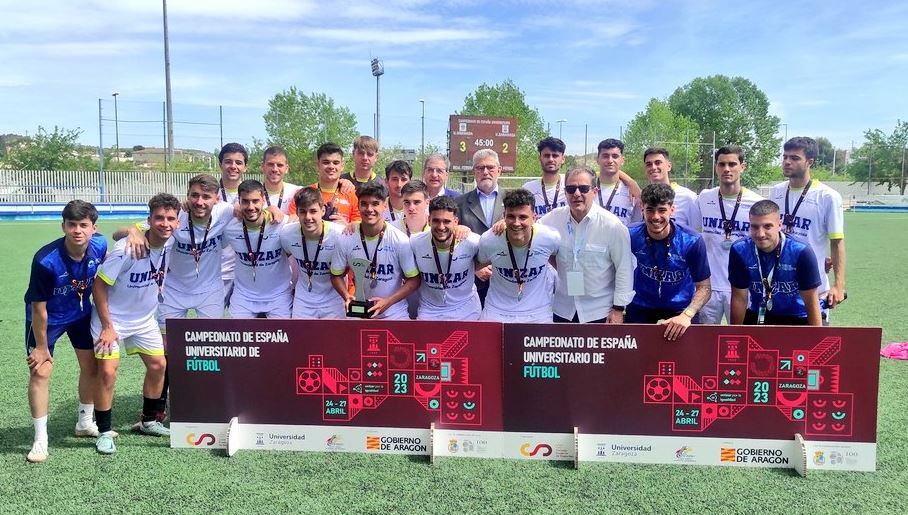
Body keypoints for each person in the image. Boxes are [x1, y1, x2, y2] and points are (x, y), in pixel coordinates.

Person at [92, 193, 181, 455]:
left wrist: (131, 229)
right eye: (159, 218)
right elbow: (99, 286)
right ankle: (104, 432)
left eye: (170, 219)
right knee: (108, 372)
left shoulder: (172, 242)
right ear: (149, 219)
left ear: (177, 222)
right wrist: (108, 326)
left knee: (158, 365)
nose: (165, 223)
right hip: (112, 320)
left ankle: (149, 421)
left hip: (144, 320)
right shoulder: (128, 249)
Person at [23, 201, 108, 463]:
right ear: (63, 226)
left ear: (94, 228)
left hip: (81, 314)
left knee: (91, 366)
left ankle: (84, 422)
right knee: (41, 370)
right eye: (72, 225)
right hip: (47, 320)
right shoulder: (45, 260)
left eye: (84, 225)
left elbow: (122, 234)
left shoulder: (100, 245)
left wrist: (136, 231)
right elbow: (39, 308)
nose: (77, 231)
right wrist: (40, 346)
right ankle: (40, 439)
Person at [538, 167, 634, 323]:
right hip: (563, 310)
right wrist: (504, 223)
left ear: (594, 191)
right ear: (565, 192)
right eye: (571, 189)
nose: (576, 194)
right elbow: (528, 230)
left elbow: (624, 268)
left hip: (599, 312)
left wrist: (618, 309)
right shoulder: (553, 219)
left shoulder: (613, 226)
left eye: (583, 188)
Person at [769, 136, 846, 323]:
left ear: (809, 162)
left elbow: (837, 242)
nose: (787, 162)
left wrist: (838, 285)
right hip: (777, 286)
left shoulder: (828, 196)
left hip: (812, 287)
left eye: (794, 158)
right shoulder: (775, 192)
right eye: (785, 156)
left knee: (809, 347)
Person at [627, 183, 711, 340]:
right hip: (641, 304)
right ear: (642, 209)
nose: (656, 217)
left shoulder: (691, 240)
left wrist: (688, 314)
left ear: (672, 210)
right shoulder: (629, 235)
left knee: (689, 357)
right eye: (650, 210)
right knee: (634, 358)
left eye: (662, 210)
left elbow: (704, 288)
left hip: (680, 306)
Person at [694, 145, 764, 324]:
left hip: (742, 287)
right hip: (709, 286)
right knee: (706, 343)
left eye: (732, 164)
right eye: (722, 164)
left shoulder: (757, 203)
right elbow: (695, 236)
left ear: (743, 166)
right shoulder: (704, 197)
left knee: (740, 342)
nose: (726, 169)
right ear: (716, 167)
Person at [330, 183, 421, 320]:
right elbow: (335, 275)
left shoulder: (400, 240)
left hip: (394, 312)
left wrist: (388, 301)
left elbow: (414, 280)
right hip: (359, 310)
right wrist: (346, 296)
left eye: (375, 203)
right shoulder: (346, 238)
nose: (369, 209)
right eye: (364, 204)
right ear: (358, 206)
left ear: (384, 205)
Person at [729, 200, 822, 326]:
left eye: (767, 226)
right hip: (760, 315)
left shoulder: (801, 252)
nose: (760, 234)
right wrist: (736, 335)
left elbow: (811, 302)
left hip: (798, 317)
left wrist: (815, 339)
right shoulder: (739, 250)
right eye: (754, 226)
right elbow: (739, 298)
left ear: (779, 225)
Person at [478, 188, 560, 323]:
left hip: (538, 312)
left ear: (534, 218)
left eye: (522, 217)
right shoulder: (489, 240)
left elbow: (560, 264)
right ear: (504, 216)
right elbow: (476, 263)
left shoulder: (550, 238)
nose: (516, 223)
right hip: (497, 310)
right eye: (511, 216)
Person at [221, 180, 292, 318]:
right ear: (239, 201)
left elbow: (302, 222)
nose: (251, 206)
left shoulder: (281, 223)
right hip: (244, 296)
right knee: (237, 338)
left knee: (283, 338)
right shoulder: (230, 228)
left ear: (263, 200)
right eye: (245, 201)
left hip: (279, 295)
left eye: (255, 201)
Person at [411, 196, 482, 320]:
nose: (441, 226)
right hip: (429, 312)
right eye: (436, 221)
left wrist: (503, 224)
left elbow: (495, 245)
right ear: (429, 220)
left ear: (456, 222)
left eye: (447, 221)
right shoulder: (415, 243)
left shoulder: (473, 241)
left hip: (467, 311)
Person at [281, 188, 347, 319]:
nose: (308, 217)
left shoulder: (340, 234)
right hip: (304, 300)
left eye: (313, 211)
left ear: (322, 210)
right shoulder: (287, 234)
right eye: (303, 212)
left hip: (333, 299)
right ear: (297, 212)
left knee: (335, 339)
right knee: (302, 339)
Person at [456, 149, 505, 305]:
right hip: (473, 281)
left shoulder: (513, 201)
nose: (485, 172)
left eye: (490, 167)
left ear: (499, 170)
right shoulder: (459, 203)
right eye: (480, 168)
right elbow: (455, 245)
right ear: (474, 172)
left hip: (506, 279)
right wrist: (475, 268)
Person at [286, 143, 361, 224]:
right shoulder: (303, 194)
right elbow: (292, 223)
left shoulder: (352, 195)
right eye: (326, 162)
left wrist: (346, 226)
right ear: (318, 165)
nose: (331, 167)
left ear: (342, 165)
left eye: (336, 163)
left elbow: (358, 228)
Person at [216, 142, 248, 308]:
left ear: (245, 167)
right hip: (217, 272)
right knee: (213, 326)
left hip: (247, 273)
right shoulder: (209, 194)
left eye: (238, 162)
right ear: (220, 163)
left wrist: (342, 182)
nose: (233, 166)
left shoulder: (254, 194)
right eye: (228, 161)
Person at [642, 147, 699, 229]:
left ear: (669, 166)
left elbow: (695, 231)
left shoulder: (688, 197)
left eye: (658, 163)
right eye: (649, 164)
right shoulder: (641, 197)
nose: (653, 167)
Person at [595, 138, 642, 226]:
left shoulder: (632, 192)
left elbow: (636, 226)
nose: (610, 161)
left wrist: (631, 182)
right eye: (605, 156)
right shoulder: (586, 189)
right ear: (597, 160)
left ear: (622, 160)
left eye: (615, 156)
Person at [523, 137, 567, 217]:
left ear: (563, 159)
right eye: (546, 156)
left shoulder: (570, 185)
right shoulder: (528, 189)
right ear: (540, 158)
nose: (550, 159)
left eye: (555, 156)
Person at [260, 145, 300, 216]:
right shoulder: (253, 194)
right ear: (263, 166)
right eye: (270, 164)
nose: (275, 169)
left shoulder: (297, 192)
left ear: (286, 168)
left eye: (279, 165)